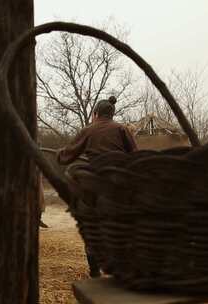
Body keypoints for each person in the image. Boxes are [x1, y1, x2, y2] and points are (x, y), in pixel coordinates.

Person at [56, 96, 137, 278]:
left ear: (95, 114)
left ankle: (95, 271)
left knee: (92, 224)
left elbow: (66, 156)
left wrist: (60, 154)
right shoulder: (122, 129)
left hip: (96, 186)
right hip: (119, 186)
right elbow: (136, 156)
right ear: (112, 114)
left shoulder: (88, 130)